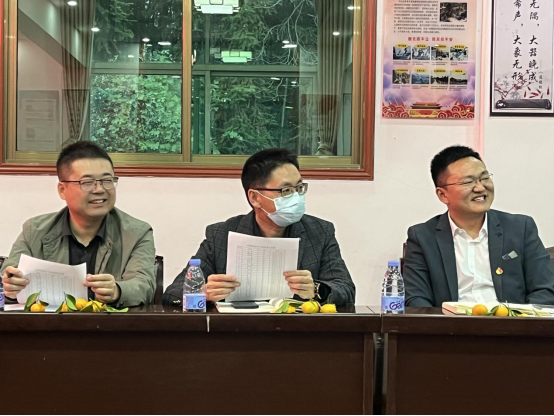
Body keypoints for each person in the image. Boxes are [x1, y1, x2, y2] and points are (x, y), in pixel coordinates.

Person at [163, 148, 355, 306]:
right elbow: (173, 293)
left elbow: (346, 290)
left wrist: (316, 289)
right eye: (286, 190)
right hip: (239, 333)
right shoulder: (221, 235)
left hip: (299, 334)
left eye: (299, 188)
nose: (296, 197)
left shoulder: (320, 232)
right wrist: (202, 294)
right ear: (255, 197)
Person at [0, 142, 156, 307]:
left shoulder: (137, 233)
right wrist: (11, 286)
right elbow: (8, 277)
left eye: (107, 180)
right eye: (87, 182)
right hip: (51, 322)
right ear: (62, 190)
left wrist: (117, 291)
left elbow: (144, 285)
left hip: (109, 322)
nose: (99, 189)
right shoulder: (35, 231)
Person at [404, 145, 554, 307]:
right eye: (468, 182)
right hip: (452, 321)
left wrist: (521, 319)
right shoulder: (423, 237)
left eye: (484, 178)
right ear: (442, 194)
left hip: (511, 320)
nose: (480, 188)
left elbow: (545, 289)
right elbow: (416, 299)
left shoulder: (520, 228)